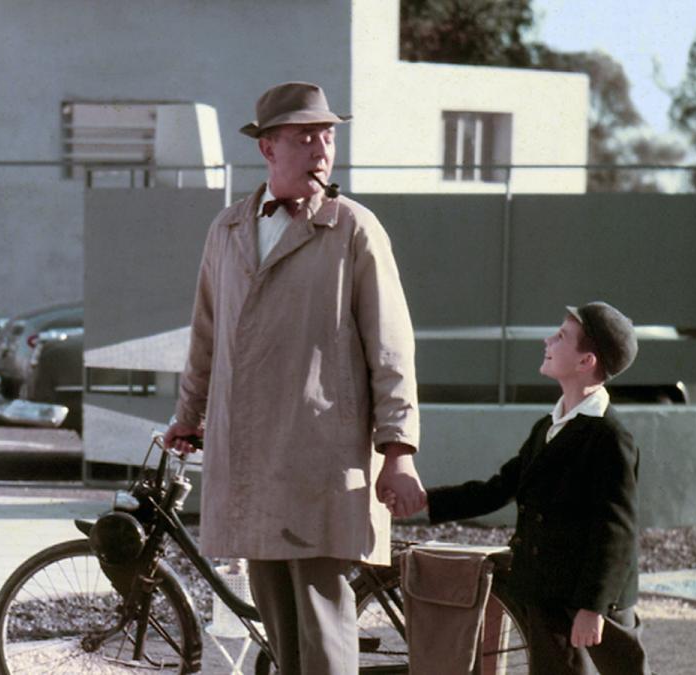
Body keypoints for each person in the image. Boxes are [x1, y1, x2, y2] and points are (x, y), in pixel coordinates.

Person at [164, 81, 425, 674]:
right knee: (280, 636)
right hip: (250, 464)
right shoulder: (228, 231)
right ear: (268, 148)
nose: (321, 149)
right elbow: (206, 337)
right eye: (305, 137)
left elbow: (392, 348)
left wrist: (399, 450)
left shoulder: (353, 229)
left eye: (327, 136)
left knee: (323, 636)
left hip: (319, 464)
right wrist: (189, 415)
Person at [391, 302, 652, 674]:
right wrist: (425, 501)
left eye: (561, 336)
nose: (548, 339)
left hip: (597, 597)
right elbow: (497, 489)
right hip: (546, 588)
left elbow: (617, 532)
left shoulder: (609, 438)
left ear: (585, 362)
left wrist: (592, 608)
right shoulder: (549, 426)